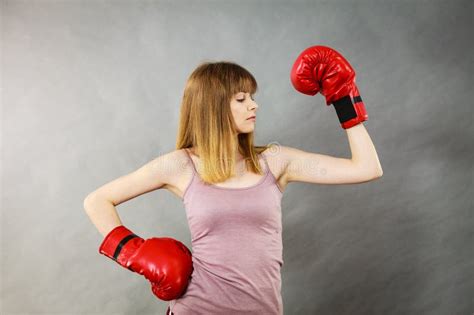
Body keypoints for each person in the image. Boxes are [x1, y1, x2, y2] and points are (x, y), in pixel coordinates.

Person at [83, 45, 383, 315]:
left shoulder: (275, 162)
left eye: (252, 97)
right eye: (241, 98)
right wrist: (134, 251)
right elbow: (97, 201)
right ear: (212, 107)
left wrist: (343, 94)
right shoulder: (181, 166)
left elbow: (367, 168)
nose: (254, 105)